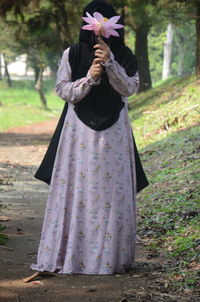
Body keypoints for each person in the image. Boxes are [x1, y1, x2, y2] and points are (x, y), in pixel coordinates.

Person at [23, 0, 149, 282]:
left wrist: (110, 63)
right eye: (96, 25)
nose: (100, 34)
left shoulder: (125, 54)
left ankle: (109, 257)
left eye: (107, 25)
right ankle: (73, 254)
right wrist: (89, 78)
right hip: (78, 135)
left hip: (114, 135)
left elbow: (129, 88)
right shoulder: (73, 53)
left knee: (110, 192)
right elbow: (62, 89)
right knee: (79, 189)